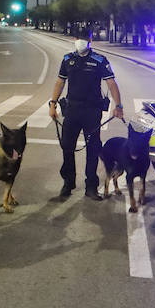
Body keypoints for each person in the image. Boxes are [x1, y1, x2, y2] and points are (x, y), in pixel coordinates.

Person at [48, 28, 123, 199]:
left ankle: (91, 187)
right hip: (72, 110)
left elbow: (111, 83)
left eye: (84, 38)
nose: (80, 41)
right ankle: (68, 182)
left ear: (90, 41)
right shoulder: (68, 59)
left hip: (92, 111)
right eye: (78, 38)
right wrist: (53, 104)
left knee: (92, 149)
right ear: (74, 39)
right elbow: (60, 82)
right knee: (67, 147)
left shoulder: (99, 60)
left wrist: (118, 105)